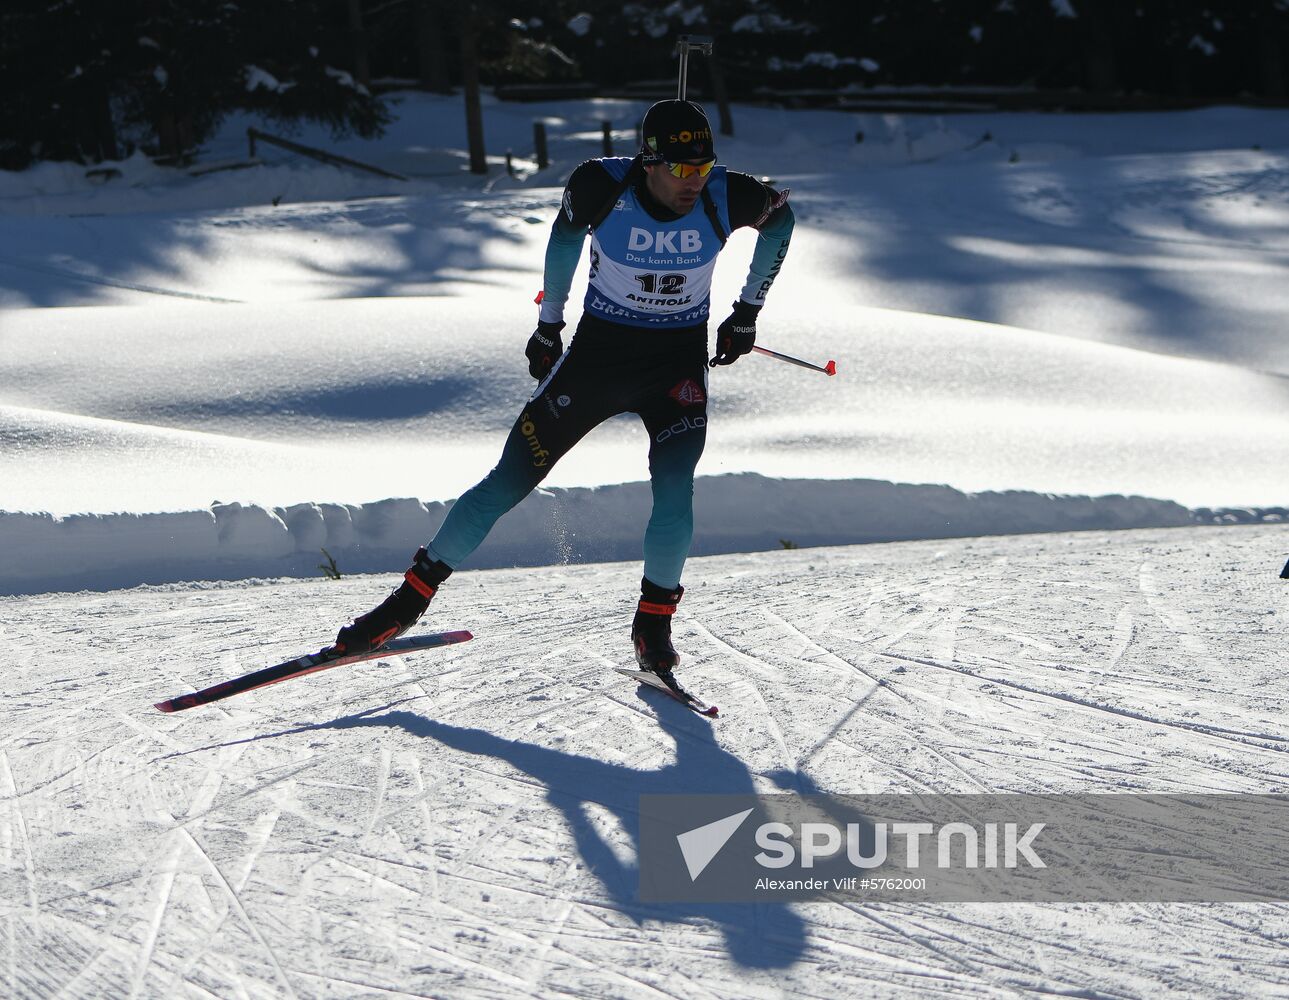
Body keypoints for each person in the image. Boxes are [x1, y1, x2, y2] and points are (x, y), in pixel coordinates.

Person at [332, 99, 794, 686]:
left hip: (674, 365)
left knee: (676, 491)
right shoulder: (601, 183)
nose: (692, 181)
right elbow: (563, 241)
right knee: (508, 480)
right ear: (648, 162)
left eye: (702, 167)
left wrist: (747, 310)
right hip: (598, 359)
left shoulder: (727, 194)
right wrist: (549, 324)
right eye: (680, 169)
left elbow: (782, 220)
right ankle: (404, 605)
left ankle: (653, 626)